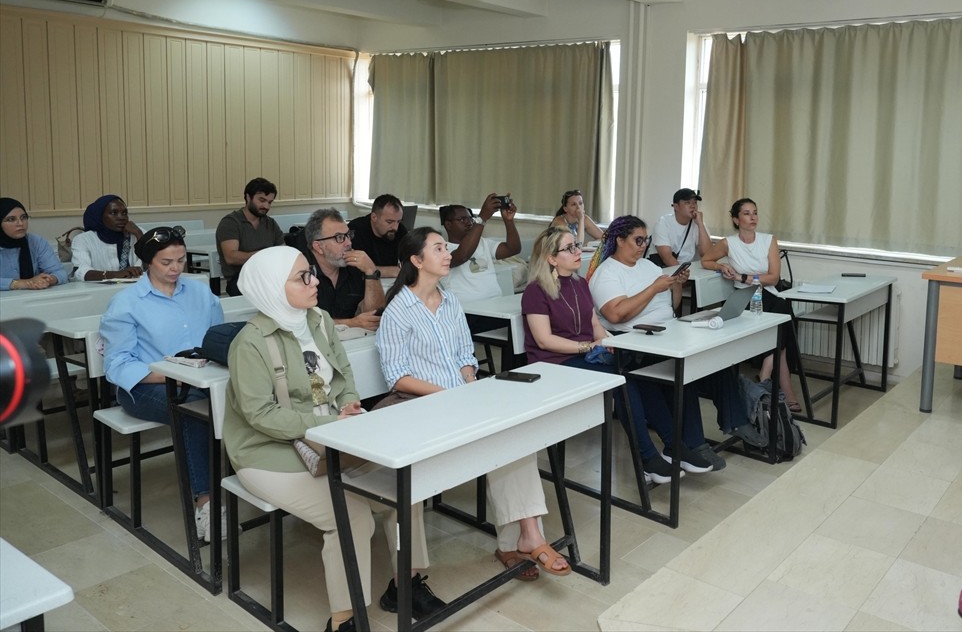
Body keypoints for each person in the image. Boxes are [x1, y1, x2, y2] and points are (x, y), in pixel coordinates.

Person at [224, 247, 445, 630]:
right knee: (353, 516)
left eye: (310, 273)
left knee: (404, 487)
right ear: (271, 289)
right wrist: (323, 423)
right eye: (301, 278)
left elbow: (342, 378)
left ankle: (404, 584)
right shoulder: (250, 343)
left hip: (332, 439)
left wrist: (349, 408)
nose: (313, 282)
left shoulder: (320, 321)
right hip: (268, 453)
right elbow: (260, 416)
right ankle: (345, 618)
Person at [377, 227, 572, 581]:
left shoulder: (450, 301)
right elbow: (398, 377)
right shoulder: (398, 310)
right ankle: (520, 540)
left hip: (461, 399)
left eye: (445, 247)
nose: (448, 252)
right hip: (424, 406)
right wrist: (450, 396)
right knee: (499, 439)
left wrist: (470, 384)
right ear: (417, 260)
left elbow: (465, 355)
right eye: (438, 248)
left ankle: (528, 536)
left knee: (515, 435)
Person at [524, 225, 697, 483]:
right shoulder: (536, 291)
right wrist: (588, 347)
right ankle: (647, 457)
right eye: (569, 248)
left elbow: (595, 326)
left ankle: (675, 446)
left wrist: (607, 341)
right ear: (551, 258)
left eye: (576, 245)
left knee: (639, 372)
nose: (577, 251)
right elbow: (544, 340)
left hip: (585, 355)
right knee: (623, 381)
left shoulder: (579, 283)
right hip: (555, 364)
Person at [589, 215, 761, 468]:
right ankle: (693, 444)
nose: (643, 246)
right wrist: (654, 288)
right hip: (636, 341)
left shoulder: (648, 266)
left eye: (645, 240)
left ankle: (736, 421)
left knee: (716, 360)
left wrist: (675, 286)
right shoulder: (607, 274)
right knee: (684, 369)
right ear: (619, 240)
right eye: (638, 240)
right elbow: (616, 314)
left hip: (666, 331)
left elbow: (671, 306)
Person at [99, 227, 223, 540]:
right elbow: (117, 365)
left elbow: (219, 339)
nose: (176, 268)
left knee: (229, 400)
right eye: (167, 262)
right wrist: (177, 375)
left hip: (199, 380)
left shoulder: (199, 292)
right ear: (148, 263)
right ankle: (206, 502)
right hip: (143, 388)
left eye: (181, 260)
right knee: (192, 410)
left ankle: (246, 482)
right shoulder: (127, 302)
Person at [702, 198, 805, 414]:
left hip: (767, 292)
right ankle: (780, 387)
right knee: (782, 324)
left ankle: (766, 375)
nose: (753, 218)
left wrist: (743, 276)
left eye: (755, 213)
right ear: (736, 219)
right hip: (745, 297)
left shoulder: (768, 241)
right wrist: (722, 267)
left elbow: (773, 278)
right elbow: (706, 260)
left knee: (781, 312)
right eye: (747, 214)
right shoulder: (728, 243)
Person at [306, 208, 385, 331]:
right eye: (339, 238)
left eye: (348, 235)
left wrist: (371, 271)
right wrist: (352, 323)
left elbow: (374, 317)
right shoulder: (302, 273)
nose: (349, 243)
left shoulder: (355, 267)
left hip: (355, 343)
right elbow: (302, 323)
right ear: (318, 247)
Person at [439, 193, 521, 306]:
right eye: (462, 219)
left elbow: (513, 249)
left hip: (495, 305)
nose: (469, 223)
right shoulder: (442, 250)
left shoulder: (482, 242)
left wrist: (509, 221)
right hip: (468, 311)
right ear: (448, 224)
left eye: (470, 218)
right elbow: (463, 255)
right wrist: (482, 218)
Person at [216, 177, 285, 296]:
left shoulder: (271, 223)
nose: (266, 206)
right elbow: (231, 257)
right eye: (262, 200)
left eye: (269, 202)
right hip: (241, 279)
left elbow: (283, 251)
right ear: (248, 197)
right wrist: (265, 255)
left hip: (269, 277)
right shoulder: (231, 222)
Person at [72, 194, 143, 281]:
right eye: (114, 213)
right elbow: (80, 271)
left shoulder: (136, 233)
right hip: (98, 291)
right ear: (100, 216)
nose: (121, 218)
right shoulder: (84, 239)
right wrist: (116, 274)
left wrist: (139, 235)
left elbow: (152, 265)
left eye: (124, 213)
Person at [1, 198, 67, 290]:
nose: (20, 223)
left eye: (23, 217)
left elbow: (60, 272)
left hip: (32, 299)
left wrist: (49, 280)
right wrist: (22, 283)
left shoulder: (36, 242)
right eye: (11, 219)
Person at [348, 194, 407, 279]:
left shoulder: (400, 230)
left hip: (390, 283)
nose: (395, 227)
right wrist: (392, 271)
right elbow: (353, 269)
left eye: (398, 221)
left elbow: (411, 264)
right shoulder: (356, 230)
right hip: (363, 284)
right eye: (389, 222)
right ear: (374, 217)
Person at [652, 188, 713, 267]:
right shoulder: (663, 223)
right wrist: (683, 275)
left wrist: (700, 224)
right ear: (676, 206)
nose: (693, 206)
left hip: (686, 270)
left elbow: (707, 254)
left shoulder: (698, 223)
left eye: (695, 202)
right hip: (665, 270)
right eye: (687, 203)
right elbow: (667, 258)